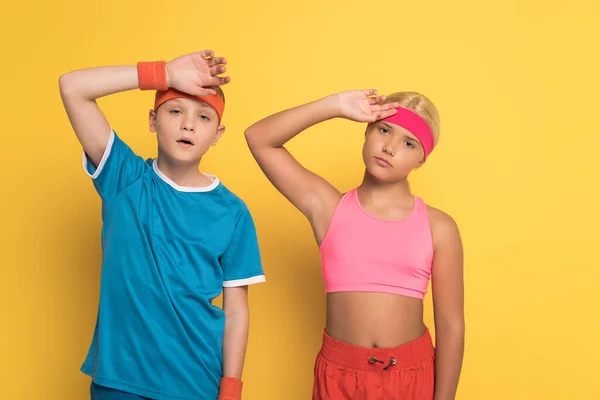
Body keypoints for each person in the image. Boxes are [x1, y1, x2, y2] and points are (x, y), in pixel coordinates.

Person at [59, 50, 265, 400]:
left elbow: (236, 308)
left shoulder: (233, 212)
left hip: (196, 381)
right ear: (153, 121)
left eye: (203, 116)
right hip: (120, 380)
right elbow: (73, 87)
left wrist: (231, 388)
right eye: (175, 111)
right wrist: (164, 74)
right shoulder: (124, 178)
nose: (188, 124)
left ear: (218, 133)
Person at [245, 89, 464, 399]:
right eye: (384, 129)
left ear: (421, 159)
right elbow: (259, 138)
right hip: (339, 377)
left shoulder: (439, 227)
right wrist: (334, 106)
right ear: (367, 129)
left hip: (412, 377)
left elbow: (451, 325)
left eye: (408, 143)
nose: (389, 147)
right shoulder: (329, 209)